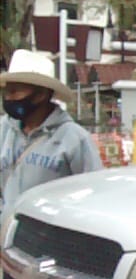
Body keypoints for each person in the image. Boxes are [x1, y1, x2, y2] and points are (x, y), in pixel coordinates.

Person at [0, 49, 103, 213]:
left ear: (40, 94)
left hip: (48, 235)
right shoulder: (4, 130)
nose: (8, 99)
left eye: (15, 91)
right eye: (6, 92)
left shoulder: (74, 139)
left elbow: (94, 193)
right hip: (8, 234)